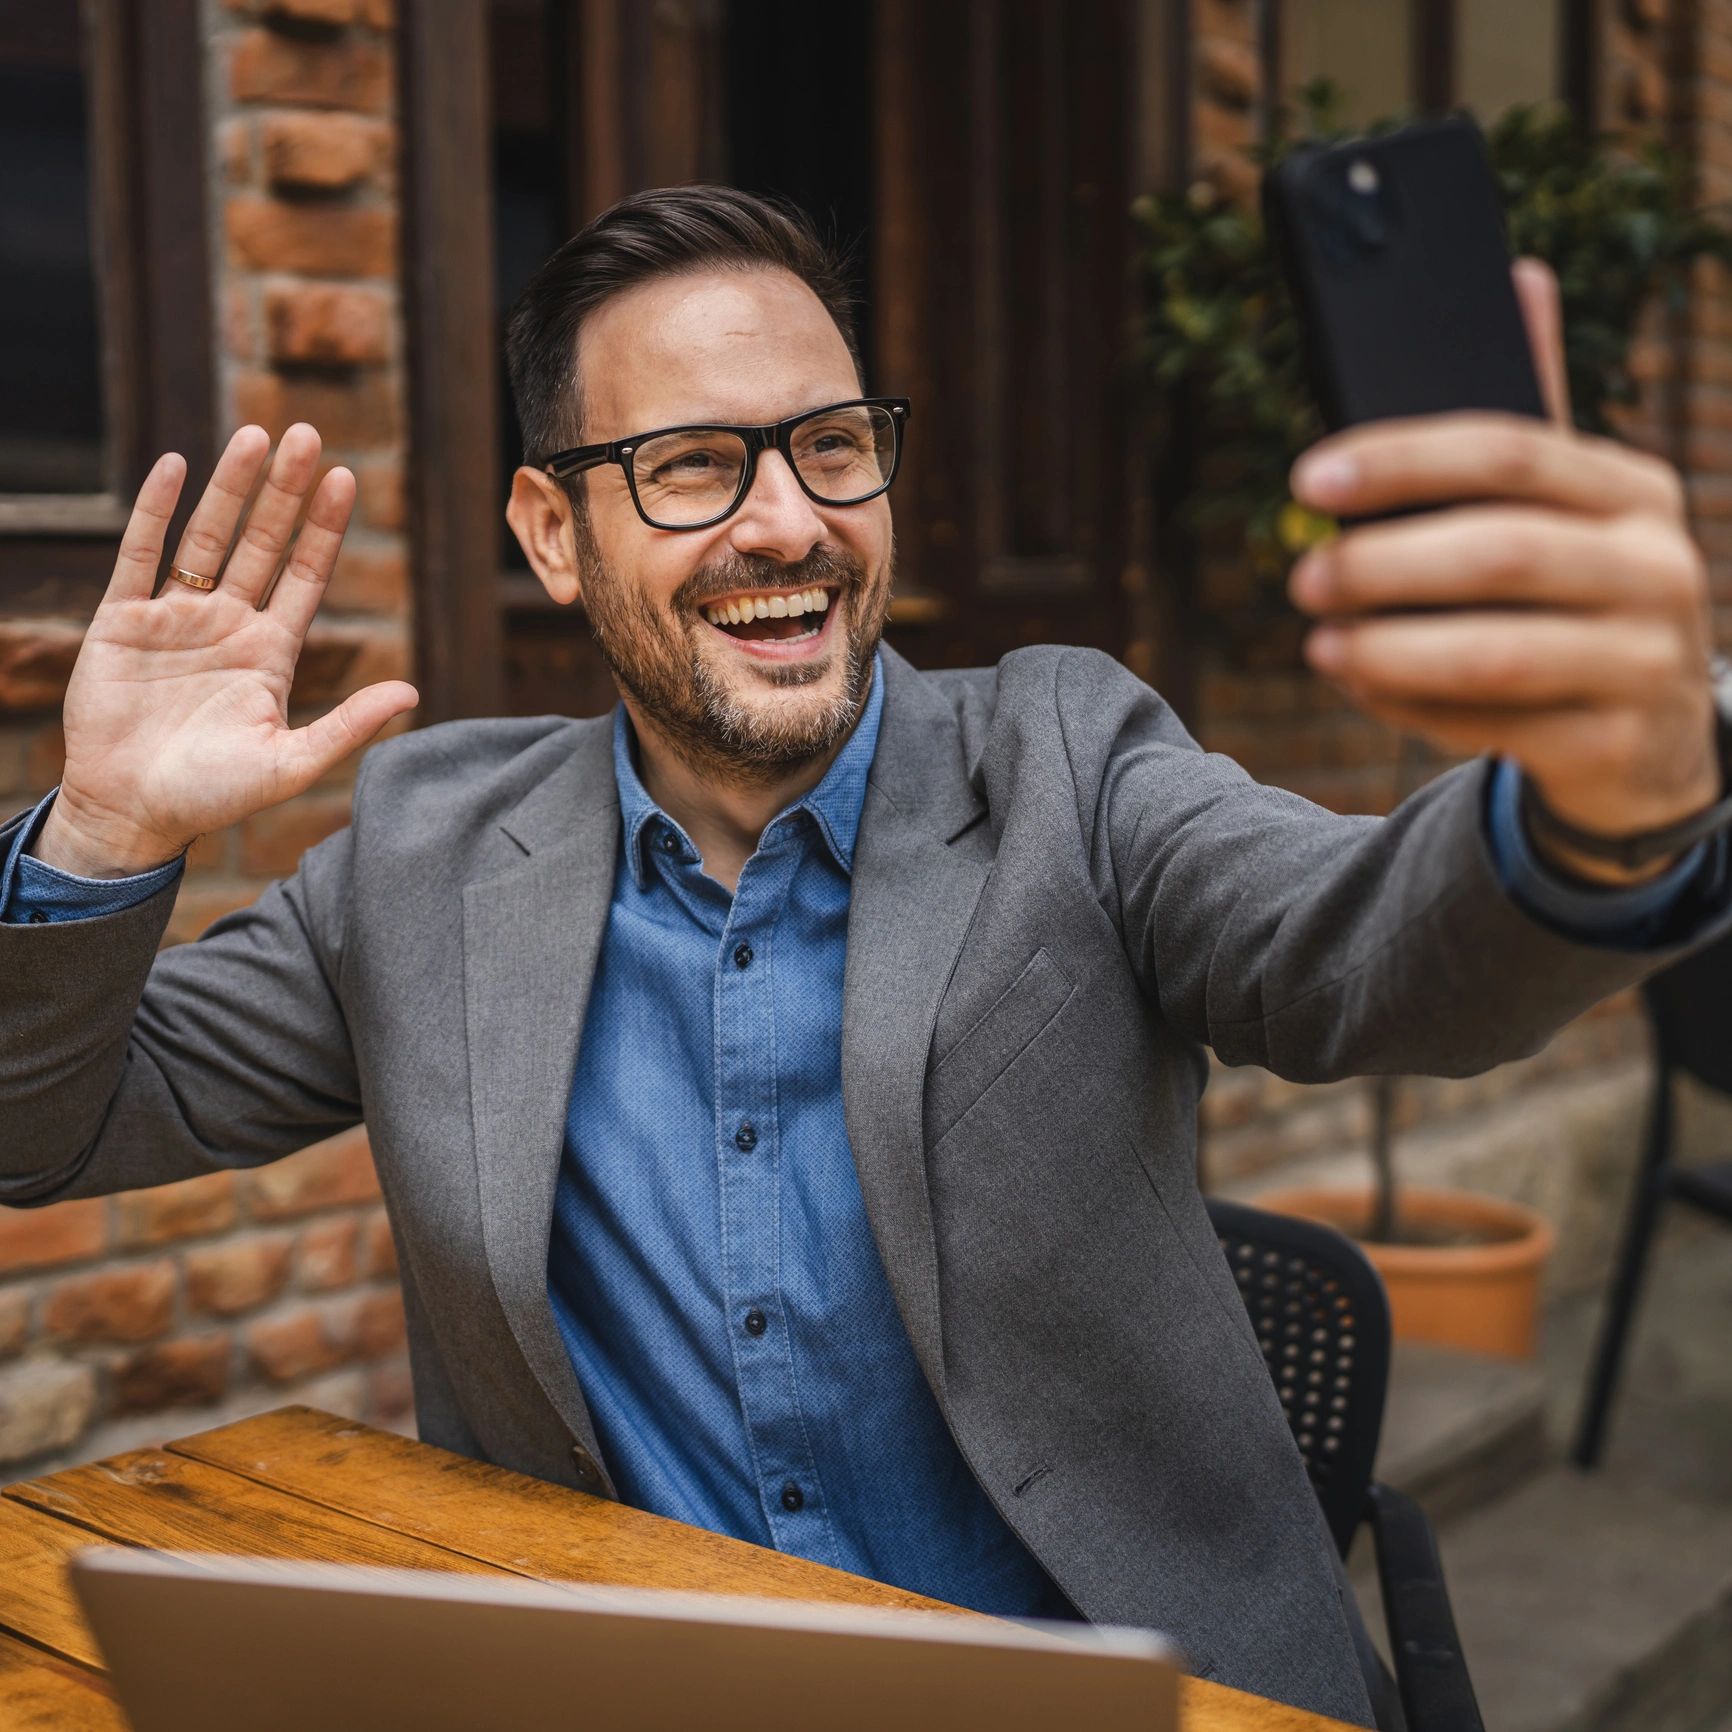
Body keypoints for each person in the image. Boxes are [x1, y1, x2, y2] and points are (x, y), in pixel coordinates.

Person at [2, 186, 1728, 1729]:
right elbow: (46, 1128)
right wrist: (102, 833)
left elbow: (1371, 957)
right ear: (552, 531)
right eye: (691, 465)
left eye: (831, 442)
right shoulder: (425, 853)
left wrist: (1599, 810)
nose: (788, 523)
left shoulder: (1069, 760)